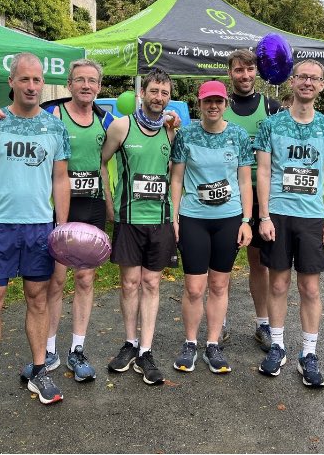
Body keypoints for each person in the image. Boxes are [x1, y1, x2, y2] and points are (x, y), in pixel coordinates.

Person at [0, 59, 115, 383]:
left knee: (85, 280)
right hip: (55, 210)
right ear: (68, 83)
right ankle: (49, 350)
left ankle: (77, 350)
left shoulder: (107, 118)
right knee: (53, 282)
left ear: (99, 86)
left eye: (92, 81)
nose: (86, 85)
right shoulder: (54, 115)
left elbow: (110, 158)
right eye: (79, 79)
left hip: (91, 206)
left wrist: (169, 123)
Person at [0, 52, 70, 424]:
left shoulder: (55, 128)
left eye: (37, 80)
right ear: (11, 82)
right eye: (24, 79)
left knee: (38, 299)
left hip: (40, 228)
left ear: (43, 83)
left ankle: (39, 370)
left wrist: (63, 229)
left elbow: (60, 179)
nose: (31, 86)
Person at [253, 59, 324, 387]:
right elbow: (262, 171)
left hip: (312, 217)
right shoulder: (271, 126)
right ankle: (277, 346)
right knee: (277, 284)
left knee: (310, 287)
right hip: (277, 213)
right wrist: (263, 215)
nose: (307, 82)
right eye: (302, 76)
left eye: (314, 78)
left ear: (322, 86)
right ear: (292, 82)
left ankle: (309, 354)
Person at [170, 80, 253, 374]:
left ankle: (213, 344)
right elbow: (177, 178)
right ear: (200, 103)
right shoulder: (186, 135)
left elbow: (245, 181)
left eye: (218, 101)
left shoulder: (238, 135)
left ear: (226, 103)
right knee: (194, 287)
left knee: (219, 284)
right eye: (208, 101)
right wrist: (174, 217)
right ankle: (190, 342)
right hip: (194, 217)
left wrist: (246, 220)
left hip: (229, 218)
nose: (213, 106)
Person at [100, 68, 176, 386]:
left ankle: (146, 351)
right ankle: (130, 343)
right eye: (154, 91)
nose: (158, 97)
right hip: (129, 219)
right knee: (130, 283)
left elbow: (176, 171)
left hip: (159, 220)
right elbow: (102, 162)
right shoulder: (121, 126)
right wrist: (108, 204)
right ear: (142, 93)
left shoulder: (172, 130)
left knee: (152, 284)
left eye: (164, 93)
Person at [223, 49, 281, 348]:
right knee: (221, 264)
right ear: (229, 73)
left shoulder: (270, 106)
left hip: (262, 196)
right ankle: (218, 323)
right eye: (238, 70)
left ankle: (263, 324)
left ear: (256, 72)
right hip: (227, 195)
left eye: (249, 69)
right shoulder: (220, 104)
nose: (244, 75)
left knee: (260, 264)